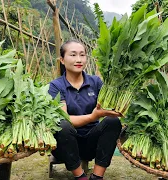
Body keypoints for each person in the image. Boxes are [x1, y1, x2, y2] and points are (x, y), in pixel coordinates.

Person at [48, 40, 122, 180]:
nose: (79, 59)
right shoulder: (56, 86)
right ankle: (80, 177)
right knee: (62, 124)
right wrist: (93, 116)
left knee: (113, 121)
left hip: (90, 143)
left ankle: (97, 177)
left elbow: (109, 108)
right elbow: (65, 118)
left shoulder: (95, 82)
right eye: (73, 55)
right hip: (64, 145)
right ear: (62, 60)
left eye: (82, 55)